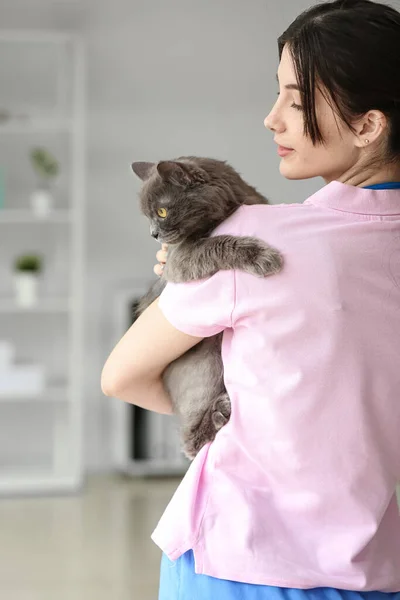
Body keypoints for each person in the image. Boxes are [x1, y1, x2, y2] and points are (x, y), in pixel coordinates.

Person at [101, 0, 400, 597]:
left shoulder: (261, 240)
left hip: (239, 563)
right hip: (379, 570)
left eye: (296, 99)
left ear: (368, 125)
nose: (272, 119)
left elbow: (122, 377)